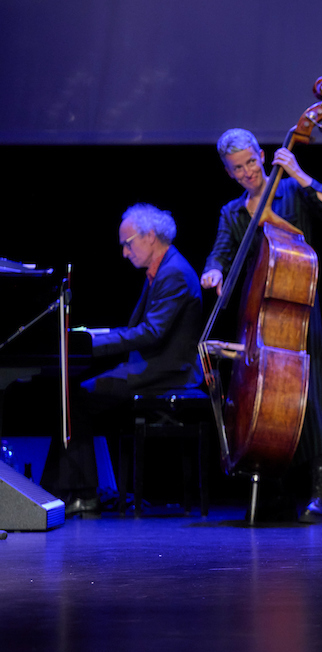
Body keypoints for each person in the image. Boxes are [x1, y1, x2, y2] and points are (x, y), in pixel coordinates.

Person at [201, 128, 322, 523]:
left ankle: (319, 496)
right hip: (258, 314)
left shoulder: (292, 190)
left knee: (310, 401)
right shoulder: (232, 212)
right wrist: (214, 271)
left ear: (261, 156)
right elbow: (220, 252)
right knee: (262, 404)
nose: (247, 172)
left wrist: (299, 173)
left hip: (298, 308)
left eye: (250, 162)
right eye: (237, 168)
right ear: (229, 172)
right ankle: (276, 492)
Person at [50, 204, 203, 515]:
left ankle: (80, 493)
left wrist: (92, 343)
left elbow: (152, 332)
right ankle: (63, 491)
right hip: (155, 365)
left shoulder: (173, 273)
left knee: (76, 397)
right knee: (74, 395)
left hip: (169, 371)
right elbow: (143, 330)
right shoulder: (162, 269)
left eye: (128, 243)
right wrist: (96, 336)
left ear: (150, 236)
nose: (124, 252)